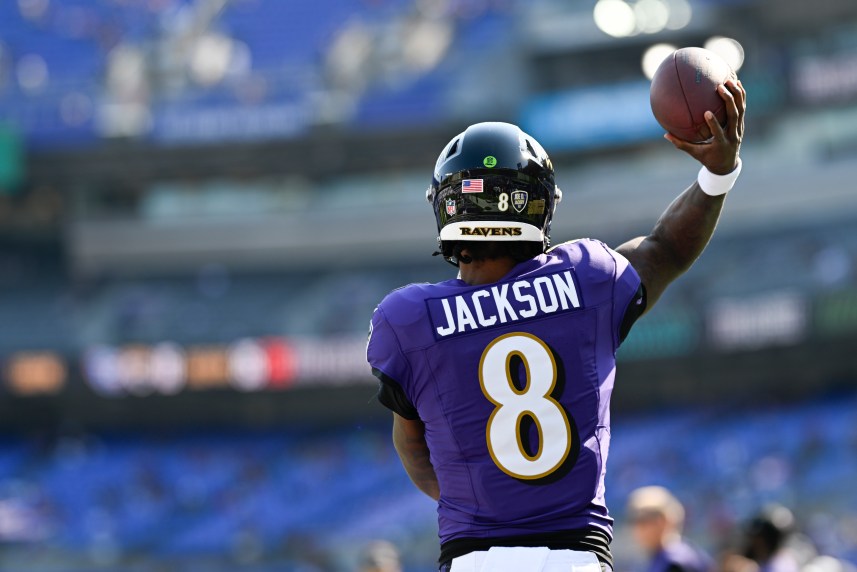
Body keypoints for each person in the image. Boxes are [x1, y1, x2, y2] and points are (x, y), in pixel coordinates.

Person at [366, 80, 746, 572]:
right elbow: (665, 249)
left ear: (445, 206)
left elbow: (411, 441)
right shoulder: (587, 279)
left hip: (476, 559)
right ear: (540, 205)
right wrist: (717, 174)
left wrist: (479, 501)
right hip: (576, 559)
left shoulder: (408, 318)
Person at [626, 486, 714, 572]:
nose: (637, 529)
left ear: (662, 521)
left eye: (643, 521)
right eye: (633, 522)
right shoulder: (662, 557)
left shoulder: (676, 562)